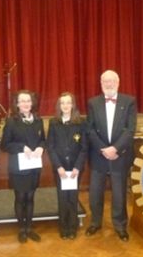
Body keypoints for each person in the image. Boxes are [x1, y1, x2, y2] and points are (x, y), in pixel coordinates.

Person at [85, 70, 137, 242]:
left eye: (112, 81)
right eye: (105, 81)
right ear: (101, 83)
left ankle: (120, 226)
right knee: (95, 193)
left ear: (118, 82)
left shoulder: (129, 101)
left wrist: (115, 149)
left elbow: (130, 130)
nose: (108, 84)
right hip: (99, 155)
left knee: (119, 194)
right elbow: (90, 129)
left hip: (120, 155)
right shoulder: (93, 102)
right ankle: (95, 222)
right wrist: (103, 149)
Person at [1, 90, 45, 243]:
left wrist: (41, 147)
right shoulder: (12, 121)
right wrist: (22, 148)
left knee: (31, 197)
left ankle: (29, 228)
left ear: (32, 103)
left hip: (34, 166)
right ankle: (21, 229)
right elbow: (5, 145)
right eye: (22, 101)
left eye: (28, 100)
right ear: (17, 104)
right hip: (18, 167)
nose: (26, 103)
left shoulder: (38, 120)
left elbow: (42, 140)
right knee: (20, 197)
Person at [47, 92, 87, 240]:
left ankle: (73, 227)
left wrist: (77, 167)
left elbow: (84, 147)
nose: (65, 105)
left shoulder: (81, 123)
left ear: (73, 105)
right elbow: (50, 147)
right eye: (62, 103)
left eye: (68, 102)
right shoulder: (54, 122)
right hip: (61, 168)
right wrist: (59, 167)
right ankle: (63, 227)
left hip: (75, 168)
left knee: (73, 197)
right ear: (59, 105)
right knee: (62, 197)